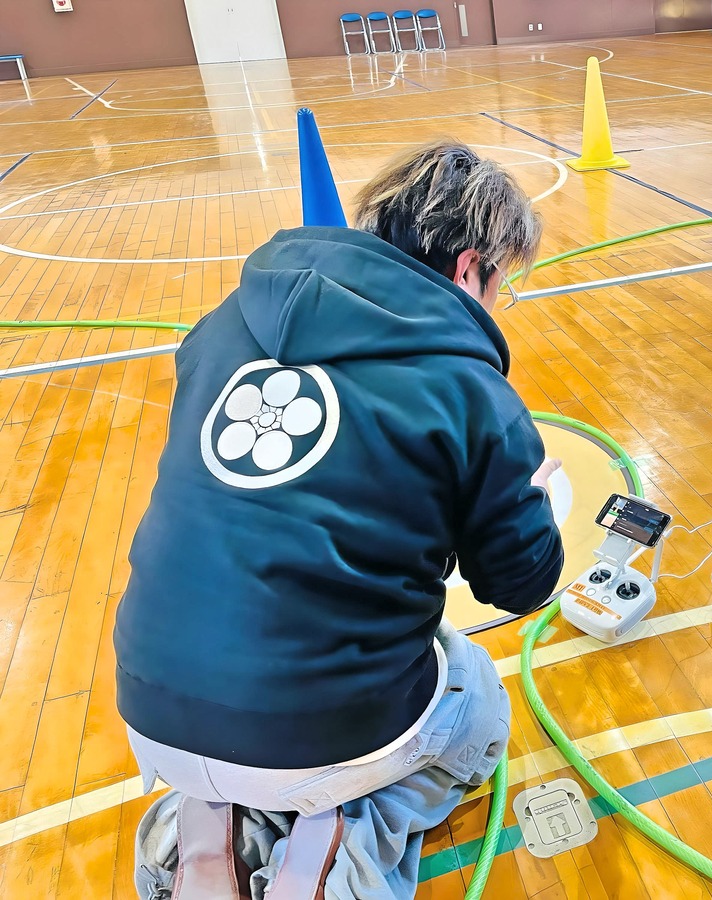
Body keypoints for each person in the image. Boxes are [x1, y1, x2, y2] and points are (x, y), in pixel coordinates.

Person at [114, 141, 565, 896]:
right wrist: (535, 505)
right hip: (319, 729)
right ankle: (335, 852)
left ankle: (207, 829)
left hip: (148, 701)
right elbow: (523, 585)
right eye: (500, 283)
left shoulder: (224, 323)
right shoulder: (469, 390)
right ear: (468, 268)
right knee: (477, 702)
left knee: (324, 651)